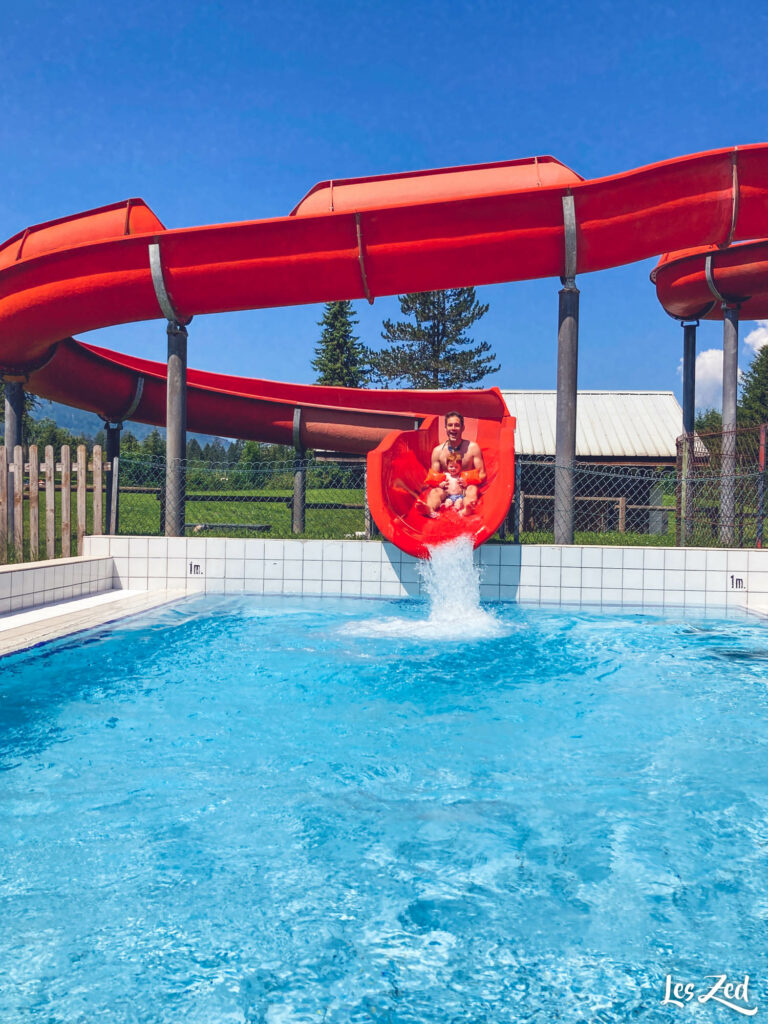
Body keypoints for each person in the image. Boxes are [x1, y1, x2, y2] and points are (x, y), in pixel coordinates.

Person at [421, 411, 486, 516]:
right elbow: (433, 479)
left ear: (462, 428)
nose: (453, 428)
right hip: (446, 491)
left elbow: (482, 474)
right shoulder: (438, 451)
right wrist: (439, 484)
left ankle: (467, 509)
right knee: (435, 492)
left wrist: (467, 482)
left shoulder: (472, 448)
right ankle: (430, 509)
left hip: (464, 490)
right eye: (450, 425)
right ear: (445, 428)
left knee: (472, 489)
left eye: (457, 425)